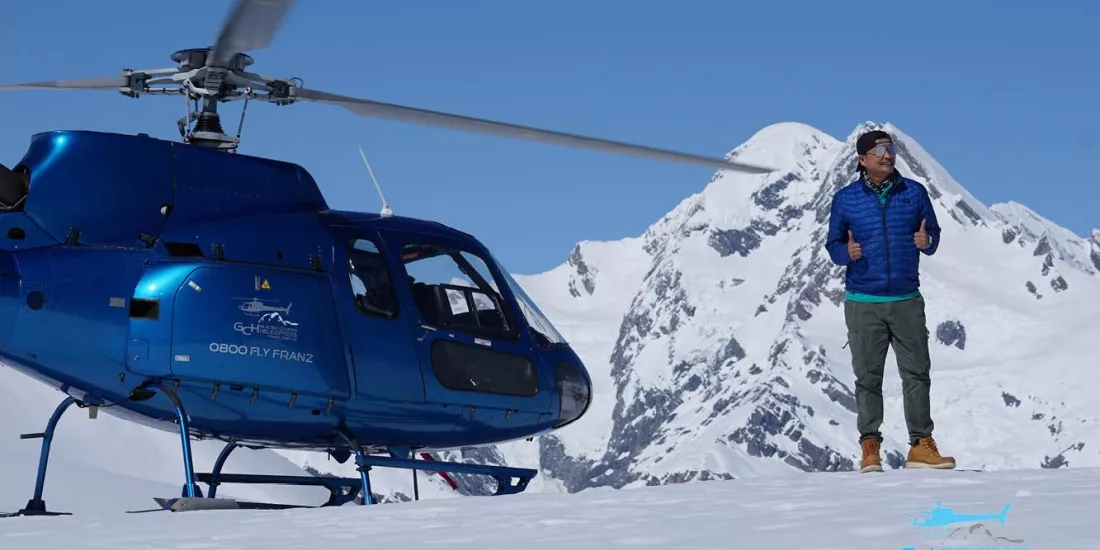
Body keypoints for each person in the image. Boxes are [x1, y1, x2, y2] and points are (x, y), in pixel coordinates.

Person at [824, 129, 955, 473]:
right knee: (868, 377)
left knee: (917, 373)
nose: (888, 155)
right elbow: (833, 243)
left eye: (891, 148)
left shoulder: (914, 193)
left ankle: (921, 446)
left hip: (907, 298)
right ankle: (870, 448)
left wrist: (926, 240)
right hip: (862, 301)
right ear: (862, 159)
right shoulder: (846, 199)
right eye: (880, 150)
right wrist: (845, 253)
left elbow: (934, 236)